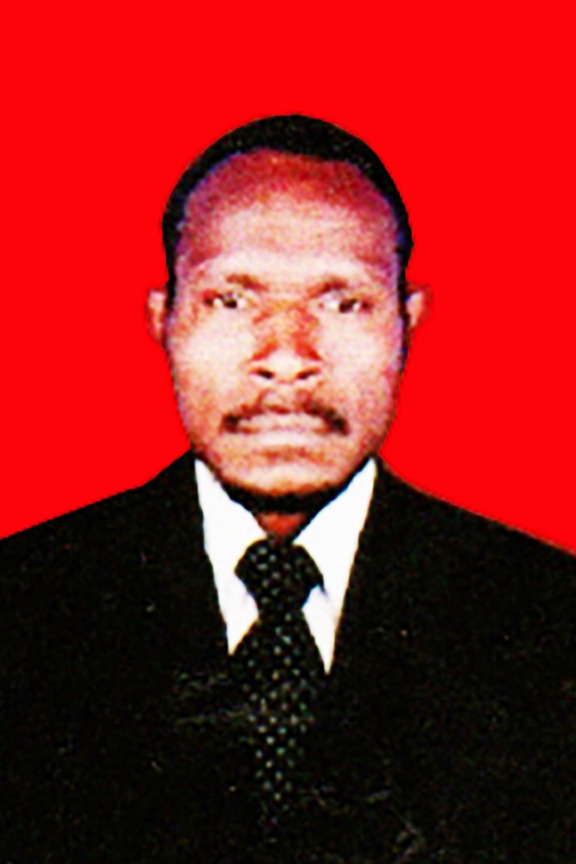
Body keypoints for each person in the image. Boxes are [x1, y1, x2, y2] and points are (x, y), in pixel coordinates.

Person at [1, 115, 575, 864]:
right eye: (230, 301)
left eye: (343, 303)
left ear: (407, 324)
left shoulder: (549, 623)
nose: (286, 357)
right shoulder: (23, 608)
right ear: (164, 320)